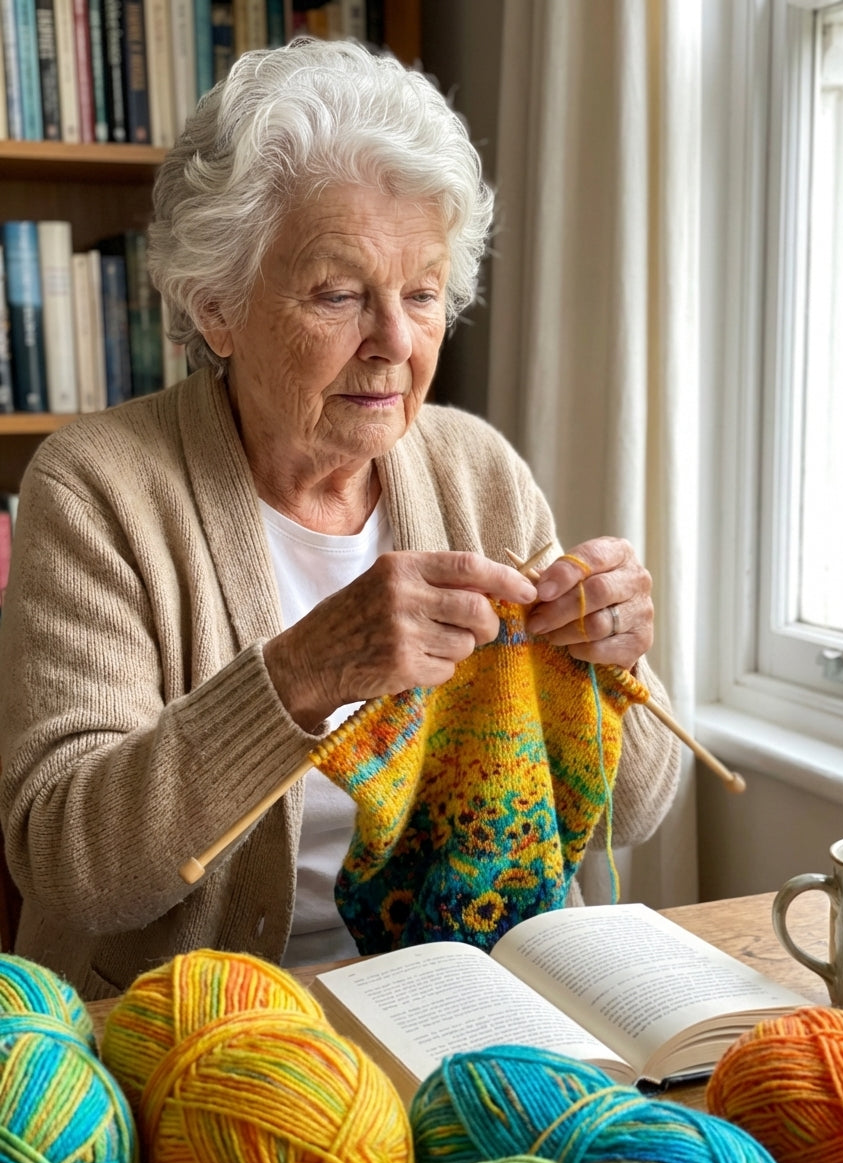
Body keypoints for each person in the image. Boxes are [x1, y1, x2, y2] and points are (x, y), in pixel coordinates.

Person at [0, 38, 680, 1001]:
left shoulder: (477, 470)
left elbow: (631, 812)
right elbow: (68, 860)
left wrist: (616, 670)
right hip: (205, 1031)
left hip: (463, 1000)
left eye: (423, 293)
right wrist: (306, 671)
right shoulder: (98, 487)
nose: (395, 343)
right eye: (340, 294)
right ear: (217, 307)